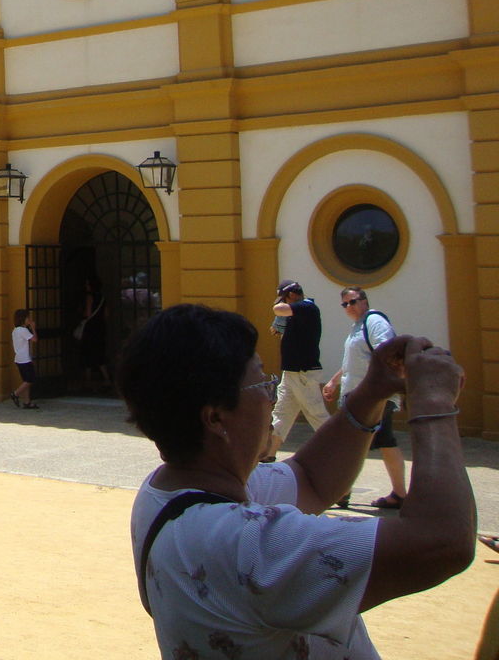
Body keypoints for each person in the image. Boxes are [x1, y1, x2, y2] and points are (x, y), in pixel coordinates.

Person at [118, 302, 473, 659]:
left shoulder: (166, 493)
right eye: (262, 382)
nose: (271, 396)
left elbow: (311, 479)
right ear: (215, 418)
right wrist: (435, 406)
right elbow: (441, 540)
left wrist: (372, 391)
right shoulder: (243, 545)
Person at [324, 286, 407, 509]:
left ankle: (342, 492)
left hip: (372, 397)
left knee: (351, 443)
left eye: (352, 301)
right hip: (362, 396)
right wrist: (334, 381)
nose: (348, 307)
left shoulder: (374, 322)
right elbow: (353, 363)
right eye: (344, 304)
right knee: (382, 442)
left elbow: (387, 353)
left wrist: (378, 392)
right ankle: (398, 494)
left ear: (364, 301)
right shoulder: (357, 327)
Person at [264, 280, 331, 461]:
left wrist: (278, 306)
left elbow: (279, 310)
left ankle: (339, 450)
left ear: (292, 295)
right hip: (291, 372)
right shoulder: (297, 311)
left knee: (316, 415)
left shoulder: (308, 308)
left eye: (284, 298)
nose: (282, 302)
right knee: (281, 414)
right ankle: (269, 455)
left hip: (303, 372)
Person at [78, 273, 109, 392]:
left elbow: (88, 313)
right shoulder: (102, 298)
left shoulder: (89, 297)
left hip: (90, 329)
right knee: (100, 353)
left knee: (87, 353)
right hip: (100, 327)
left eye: (87, 284)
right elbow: (107, 314)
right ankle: (107, 379)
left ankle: (88, 381)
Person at [10, 308, 39, 410]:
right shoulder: (23, 330)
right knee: (30, 379)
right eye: (28, 318)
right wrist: (33, 328)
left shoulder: (15, 330)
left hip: (18, 359)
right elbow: (34, 339)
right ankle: (16, 393)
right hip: (25, 359)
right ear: (23, 319)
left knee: (26, 380)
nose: (29, 320)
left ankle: (27, 402)